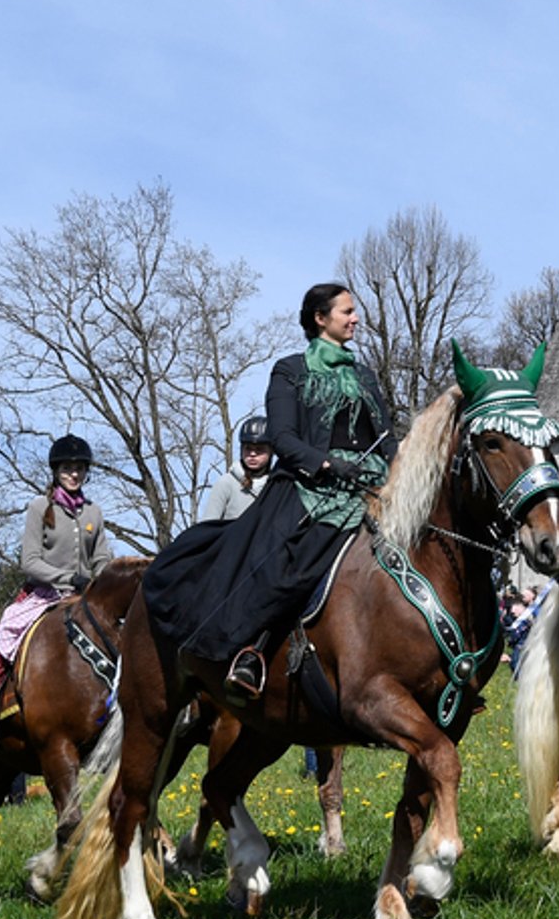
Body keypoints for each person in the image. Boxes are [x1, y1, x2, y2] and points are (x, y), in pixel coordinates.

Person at [140, 282, 400, 699]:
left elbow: (386, 438)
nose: (355, 319)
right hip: (311, 486)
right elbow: (282, 437)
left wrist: (401, 468)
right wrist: (329, 463)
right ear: (320, 319)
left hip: (371, 482)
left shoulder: (364, 376)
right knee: (287, 564)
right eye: (346, 312)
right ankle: (252, 650)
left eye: (354, 312)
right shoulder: (290, 370)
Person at [0, 436, 112, 752]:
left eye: (79, 469)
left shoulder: (93, 513)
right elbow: (29, 562)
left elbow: (102, 557)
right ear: (56, 471)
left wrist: (101, 579)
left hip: (85, 597)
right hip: (45, 594)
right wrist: (66, 578)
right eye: (67, 468)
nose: (74, 474)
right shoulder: (39, 507)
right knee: (4, 638)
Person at [201, 415, 275, 522]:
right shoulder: (226, 483)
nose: (252, 454)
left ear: (271, 451)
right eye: (248, 448)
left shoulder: (276, 487)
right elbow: (207, 526)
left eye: (259, 449)